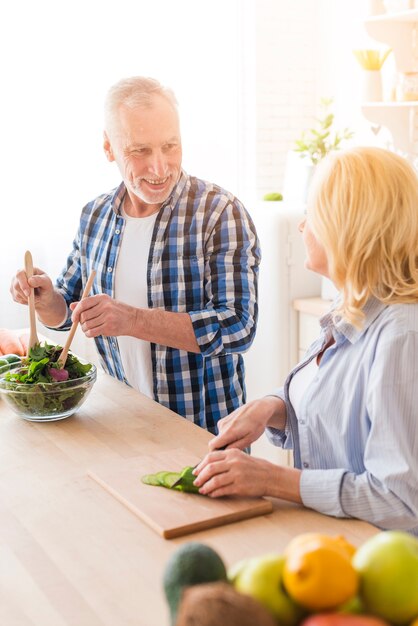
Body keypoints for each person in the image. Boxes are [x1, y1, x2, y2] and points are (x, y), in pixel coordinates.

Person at [10, 76, 260, 434]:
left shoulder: (220, 213)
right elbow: (68, 314)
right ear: (109, 148)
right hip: (123, 424)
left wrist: (133, 321)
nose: (159, 168)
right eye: (139, 151)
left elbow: (239, 327)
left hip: (203, 432)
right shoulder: (94, 216)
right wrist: (46, 299)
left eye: (170, 146)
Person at [193, 146, 418, 534]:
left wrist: (273, 479)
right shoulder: (352, 308)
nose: (302, 226)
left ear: (345, 226)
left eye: (311, 213)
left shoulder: (402, 336)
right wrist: (271, 407)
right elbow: (336, 411)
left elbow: (401, 502)